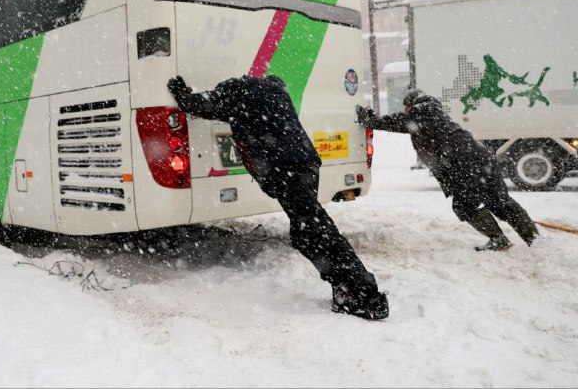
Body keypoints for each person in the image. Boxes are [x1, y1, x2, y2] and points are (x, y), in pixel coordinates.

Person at [168, 74, 389, 320]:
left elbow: (201, 104)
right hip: (305, 164)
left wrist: (183, 95)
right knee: (310, 228)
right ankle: (351, 288)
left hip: (284, 168)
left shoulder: (237, 93)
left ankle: (363, 294)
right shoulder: (274, 93)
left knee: (313, 231)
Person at [356, 88, 539, 251]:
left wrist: (371, 120)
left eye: (406, 108)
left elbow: (400, 122)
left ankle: (498, 240)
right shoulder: (433, 113)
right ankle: (535, 240)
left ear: (411, 105)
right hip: (482, 160)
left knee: (464, 206)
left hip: (465, 165)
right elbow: (404, 121)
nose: (406, 111)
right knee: (500, 201)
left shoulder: (423, 111)